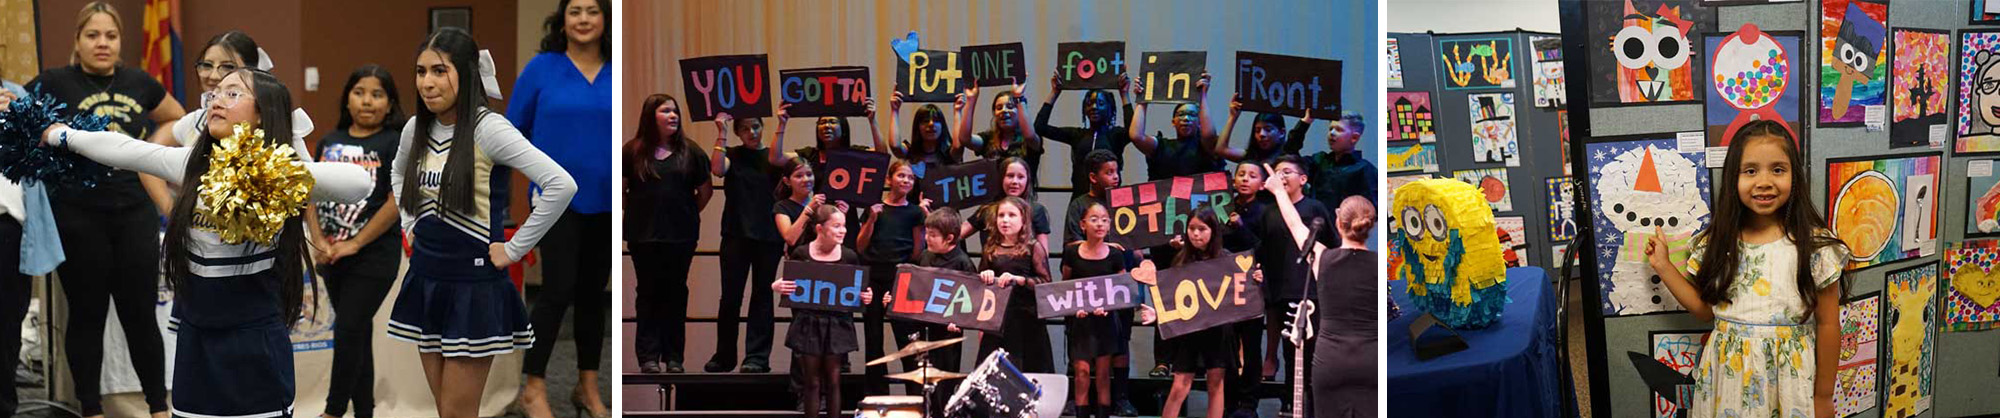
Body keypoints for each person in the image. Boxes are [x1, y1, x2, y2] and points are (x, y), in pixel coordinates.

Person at [43, 68, 371, 418]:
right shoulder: (192, 165)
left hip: (254, 347)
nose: (217, 100)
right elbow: (125, 149)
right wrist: (59, 135)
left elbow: (358, 183)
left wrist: (275, 171)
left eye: (234, 93)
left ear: (263, 113)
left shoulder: (280, 176)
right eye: (215, 94)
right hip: (195, 345)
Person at [385, 28, 577, 418]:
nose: (427, 82)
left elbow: (561, 184)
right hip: (427, 278)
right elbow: (398, 174)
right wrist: (409, 224)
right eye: (421, 71)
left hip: (472, 288)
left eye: (440, 71)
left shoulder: (490, 129)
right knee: (445, 410)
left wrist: (515, 248)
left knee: (457, 413)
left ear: (468, 73)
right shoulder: (416, 128)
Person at [26, 3, 186, 416]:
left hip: (134, 213)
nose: (102, 43)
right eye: (93, 35)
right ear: (77, 42)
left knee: (140, 316)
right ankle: (91, 409)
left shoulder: (138, 81)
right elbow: (20, 120)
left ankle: (158, 408)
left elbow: (175, 117)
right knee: (87, 315)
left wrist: (152, 143)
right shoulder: (54, 82)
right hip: (78, 215)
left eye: (110, 36)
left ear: (120, 42)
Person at [1644, 120, 1848, 417]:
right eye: (1750, 171)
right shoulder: (1717, 242)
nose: (1764, 181)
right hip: (1727, 383)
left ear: (1795, 176)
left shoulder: (1814, 247)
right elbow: (1704, 311)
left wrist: (1824, 396)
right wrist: (1664, 267)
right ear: (1732, 178)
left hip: (1788, 385)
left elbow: (1829, 324)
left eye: (1778, 169)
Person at [507, 0, 613, 415]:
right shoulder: (541, 69)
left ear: (605, 20)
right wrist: (534, 180)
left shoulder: (616, 68)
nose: (583, 19)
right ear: (562, 20)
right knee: (556, 291)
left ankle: (587, 387)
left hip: (606, 201)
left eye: (592, 10)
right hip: (556, 200)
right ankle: (533, 387)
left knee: (592, 295)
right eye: (575, 11)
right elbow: (512, 132)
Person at [305, 64, 407, 418]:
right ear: (347, 98)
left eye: (377, 94)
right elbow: (310, 192)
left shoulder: (393, 142)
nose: (367, 101)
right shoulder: (330, 141)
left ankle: (333, 412)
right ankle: (365, 412)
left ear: (390, 104)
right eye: (359, 92)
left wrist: (356, 243)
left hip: (373, 256)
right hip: (331, 255)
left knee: (348, 329)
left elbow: (397, 201)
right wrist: (318, 240)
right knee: (357, 334)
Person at [1126, 71, 1220, 382]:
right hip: (1164, 234)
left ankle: (1201, 361)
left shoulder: (1207, 147)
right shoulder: (1161, 146)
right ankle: (1164, 360)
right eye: (1181, 115)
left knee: (1202, 296)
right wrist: (1143, 101)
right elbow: (1135, 137)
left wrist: (1203, 94)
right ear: (1172, 122)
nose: (1187, 119)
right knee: (1164, 298)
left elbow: (1210, 133)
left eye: (1192, 114)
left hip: (1201, 236)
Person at [625, 94, 709, 374]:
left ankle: (674, 358)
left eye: (675, 111)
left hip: (680, 236)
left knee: (676, 294)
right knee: (647, 293)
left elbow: (705, 191)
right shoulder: (633, 150)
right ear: (651, 116)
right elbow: (622, 191)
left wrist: (685, 213)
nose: (673, 116)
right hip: (643, 235)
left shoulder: (692, 152)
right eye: (666, 111)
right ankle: (648, 357)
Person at [1249, 155, 1336, 415]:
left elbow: (1332, 246)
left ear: (1303, 179)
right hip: (1281, 294)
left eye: (1287, 172)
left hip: (1313, 294)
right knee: (1290, 355)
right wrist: (1258, 272)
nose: (1281, 177)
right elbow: (1261, 250)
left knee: (1313, 355)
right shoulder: (1269, 213)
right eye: (1277, 173)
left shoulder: (1315, 209)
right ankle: (1291, 403)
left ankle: (1316, 405)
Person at [770, 205, 872, 418]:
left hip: (837, 322)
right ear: (819, 228)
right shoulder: (801, 253)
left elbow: (859, 292)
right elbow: (788, 283)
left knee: (834, 380)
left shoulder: (849, 256)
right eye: (836, 226)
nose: (842, 230)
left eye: (843, 226)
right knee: (812, 381)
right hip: (809, 322)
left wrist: (866, 296)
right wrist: (777, 286)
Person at [703, 108, 785, 374]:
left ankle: (757, 358)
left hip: (768, 236)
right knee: (730, 298)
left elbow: (788, 162)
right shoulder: (734, 155)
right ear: (738, 132)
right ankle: (724, 356)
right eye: (746, 129)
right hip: (736, 233)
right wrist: (721, 134)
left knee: (762, 296)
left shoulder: (773, 157)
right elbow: (717, 169)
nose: (752, 132)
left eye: (757, 126)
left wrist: (783, 123)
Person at [1137, 206, 1235, 418]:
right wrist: (1157, 314)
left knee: (1215, 384)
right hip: (1188, 331)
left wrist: (1255, 279)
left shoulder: (1226, 259)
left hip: (1217, 331)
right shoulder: (1181, 260)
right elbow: (1171, 298)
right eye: (1191, 228)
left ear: (1213, 231)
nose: (1196, 234)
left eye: (1202, 229)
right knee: (1180, 384)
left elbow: (1238, 295)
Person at [855, 159, 929, 394]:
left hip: (900, 277)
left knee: (906, 337)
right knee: (873, 337)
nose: (906, 180)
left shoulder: (915, 212)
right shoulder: (874, 208)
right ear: (889, 179)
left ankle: (915, 396)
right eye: (901, 176)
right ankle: (876, 394)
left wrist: (904, 269)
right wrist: (871, 220)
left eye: (910, 178)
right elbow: (860, 246)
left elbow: (918, 249)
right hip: (873, 276)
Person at [1060, 201, 1130, 418]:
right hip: (1080, 322)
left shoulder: (1115, 255)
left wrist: (1107, 307)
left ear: (1109, 225)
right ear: (1083, 224)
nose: (1099, 224)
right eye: (1094, 219)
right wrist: (1074, 309)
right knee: (1081, 373)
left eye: (1104, 220)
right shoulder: (1072, 253)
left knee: (1102, 375)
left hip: (1106, 322)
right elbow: (1065, 287)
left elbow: (1123, 291)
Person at [973, 196, 1055, 373]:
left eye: (1011, 215)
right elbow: (981, 285)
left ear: (1023, 219)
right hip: (999, 322)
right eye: (1001, 215)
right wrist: (985, 275)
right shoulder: (990, 247)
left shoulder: (1033, 247)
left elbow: (1046, 283)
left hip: (1027, 320)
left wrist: (1020, 280)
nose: (1005, 220)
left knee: (1028, 370)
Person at [0, 80, 38, 418]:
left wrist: (19, 121)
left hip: (8, 227)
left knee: (8, 325)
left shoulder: (17, 94)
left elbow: (39, 156)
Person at [1035, 71, 1131, 192]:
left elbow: (1133, 131)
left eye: (1100, 103)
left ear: (1110, 109)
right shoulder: (1077, 135)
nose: (1094, 107)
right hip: (1080, 200)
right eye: (1089, 104)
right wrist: (1054, 93)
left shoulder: (1117, 135)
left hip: (1109, 201)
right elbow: (1040, 127)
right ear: (1084, 110)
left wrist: (1124, 94)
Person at [956, 80, 1043, 174]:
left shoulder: (1030, 140)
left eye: (1010, 106)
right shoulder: (988, 139)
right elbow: (965, 139)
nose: (1004, 110)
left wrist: (1019, 97)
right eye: (999, 108)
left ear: (1019, 112)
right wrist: (971, 100)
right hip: (992, 188)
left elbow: (1029, 136)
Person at [1290, 111, 1376, 205]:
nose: (1332, 133)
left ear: (1354, 138)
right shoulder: (1319, 161)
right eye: (1330, 129)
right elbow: (1290, 154)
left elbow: (1372, 208)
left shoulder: (1365, 170)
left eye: (1339, 130)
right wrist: (1305, 122)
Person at [1214, 93, 1307, 163]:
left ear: (1282, 133)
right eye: (1257, 130)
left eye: (1268, 129)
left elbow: (1295, 138)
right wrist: (1232, 117)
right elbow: (1221, 149)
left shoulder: (1288, 155)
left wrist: (1306, 121)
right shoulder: (1251, 157)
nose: (1261, 134)